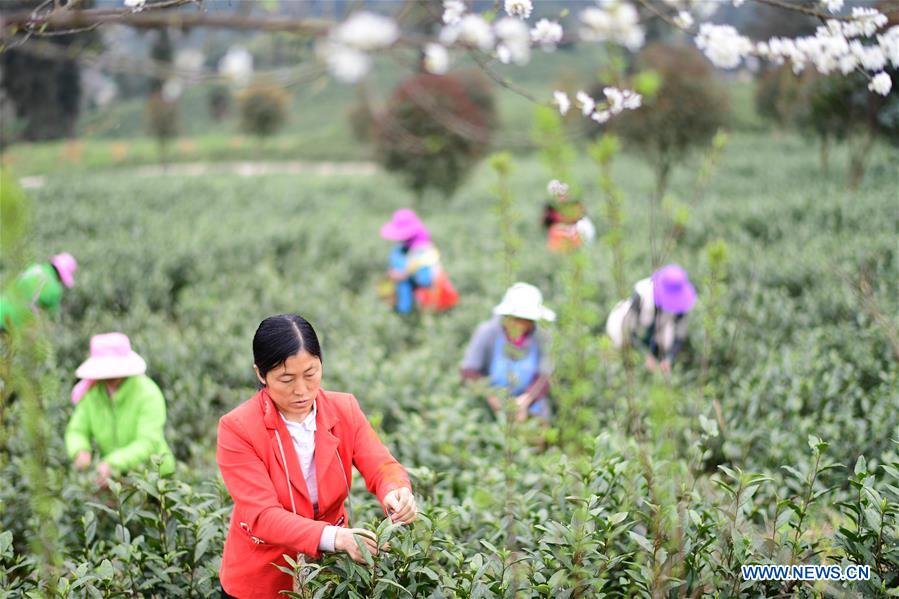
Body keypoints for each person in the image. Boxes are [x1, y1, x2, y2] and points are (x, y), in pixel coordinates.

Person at [216, 314, 417, 598]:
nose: (301, 390)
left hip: (330, 575)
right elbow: (262, 515)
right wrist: (336, 538)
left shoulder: (343, 408)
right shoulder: (238, 428)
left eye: (311, 374)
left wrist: (396, 491)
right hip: (261, 579)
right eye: (286, 379)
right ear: (261, 374)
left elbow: (381, 465)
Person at [65, 332, 176, 486]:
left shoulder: (148, 393)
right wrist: (80, 450)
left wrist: (112, 463)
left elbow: (148, 442)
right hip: (113, 478)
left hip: (154, 478)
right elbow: (77, 430)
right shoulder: (92, 394)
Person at [460, 283, 555, 422]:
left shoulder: (542, 336)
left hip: (530, 402)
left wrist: (525, 401)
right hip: (489, 403)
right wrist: (491, 397)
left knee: (538, 431)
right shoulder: (488, 332)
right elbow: (469, 371)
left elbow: (545, 376)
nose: (520, 324)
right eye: (516, 319)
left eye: (526, 320)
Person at [606, 264, 696, 376]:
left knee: (664, 343)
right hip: (623, 328)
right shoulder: (643, 293)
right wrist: (645, 355)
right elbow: (628, 329)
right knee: (620, 357)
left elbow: (679, 335)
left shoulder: (680, 305)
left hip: (652, 333)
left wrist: (669, 358)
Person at [379, 208, 457, 314]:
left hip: (425, 302)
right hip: (407, 299)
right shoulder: (402, 249)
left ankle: (406, 313)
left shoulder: (423, 252)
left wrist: (405, 275)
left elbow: (426, 280)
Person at [0, 253, 77, 332]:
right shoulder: (54, 289)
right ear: (62, 276)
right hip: (11, 322)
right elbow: (51, 318)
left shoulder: (34, 268)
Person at [542, 180, 595, 254]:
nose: (562, 198)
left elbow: (580, 216)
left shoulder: (575, 204)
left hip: (576, 233)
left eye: (563, 194)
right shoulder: (551, 208)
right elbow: (546, 222)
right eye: (558, 195)